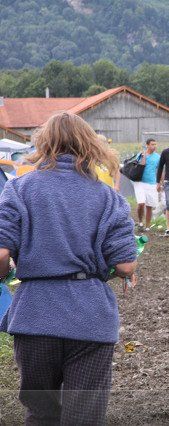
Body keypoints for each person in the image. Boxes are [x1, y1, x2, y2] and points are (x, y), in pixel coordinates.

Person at [0, 112, 138, 424]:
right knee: (84, 417)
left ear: (43, 144)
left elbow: (1, 251)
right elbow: (125, 263)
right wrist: (125, 272)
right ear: (89, 145)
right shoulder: (108, 197)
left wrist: (3, 273)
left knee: (41, 414)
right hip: (90, 318)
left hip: (34, 316)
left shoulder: (19, 189)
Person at [133, 138, 161, 231]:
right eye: (152, 144)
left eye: (155, 144)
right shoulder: (141, 155)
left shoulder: (158, 157)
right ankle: (140, 222)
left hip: (152, 183)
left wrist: (160, 183)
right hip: (140, 182)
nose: (154, 146)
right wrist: (144, 156)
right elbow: (138, 166)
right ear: (147, 145)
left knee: (149, 206)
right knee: (141, 203)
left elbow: (160, 170)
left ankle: (147, 226)